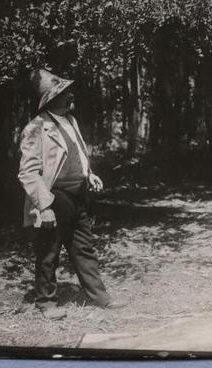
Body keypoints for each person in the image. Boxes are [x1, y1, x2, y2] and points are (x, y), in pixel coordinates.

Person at [18, 69, 125, 319]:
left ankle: (99, 297)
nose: (70, 96)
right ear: (51, 99)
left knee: (84, 247)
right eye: (64, 93)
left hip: (78, 196)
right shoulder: (36, 128)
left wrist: (89, 174)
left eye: (67, 92)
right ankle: (46, 303)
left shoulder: (71, 120)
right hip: (54, 197)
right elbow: (27, 173)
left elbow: (78, 154)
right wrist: (44, 206)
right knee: (49, 251)